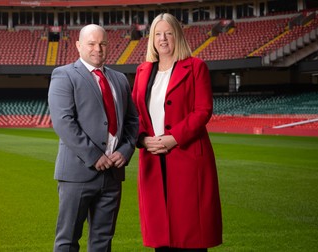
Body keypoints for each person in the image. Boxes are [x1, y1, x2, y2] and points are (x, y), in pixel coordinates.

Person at [131, 13, 222, 251]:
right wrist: (142, 139)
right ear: (152, 39)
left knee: (191, 235)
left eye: (168, 33)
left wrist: (173, 139)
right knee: (161, 235)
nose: (163, 39)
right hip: (152, 157)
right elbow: (135, 113)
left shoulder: (195, 67)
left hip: (188, 157)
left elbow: (203, 111)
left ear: (177, 36)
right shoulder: (143, 71)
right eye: (158, 34)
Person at [48, 24, 139, 252]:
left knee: (102, 242)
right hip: (78, 174)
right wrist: (94, 155)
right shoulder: (64, 75)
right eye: (91, 43)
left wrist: (126, 151)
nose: (98, 48)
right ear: (79, 46)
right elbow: (63, 121)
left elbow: (132, 121)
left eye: (102, 43)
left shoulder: (119, 79)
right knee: (68, 241)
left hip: (112, 175)